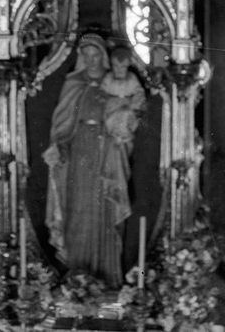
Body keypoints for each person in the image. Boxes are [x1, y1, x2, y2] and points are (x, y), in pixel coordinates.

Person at [43, 34, 147, 283]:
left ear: (104, 57)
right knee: (78, 211)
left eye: (95, 55)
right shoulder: (74, 83)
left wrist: (122, 124)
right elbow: (62, 123)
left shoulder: (115, 82)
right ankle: (76, 278)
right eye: (86, 55)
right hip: (79, 156)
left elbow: (130, 114)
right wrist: (60, 146)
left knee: (105, 209)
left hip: (106, 153)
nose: (91, 60)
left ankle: (107, 276)